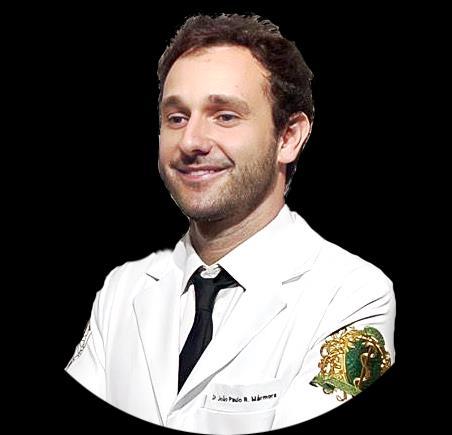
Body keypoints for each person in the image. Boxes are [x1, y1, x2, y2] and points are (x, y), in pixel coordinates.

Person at [65, 13, 396, 434]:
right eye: (176, 117)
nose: (190, 142)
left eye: (224, 116)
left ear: (288, 137)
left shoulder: (352, 296)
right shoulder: (121, 290)